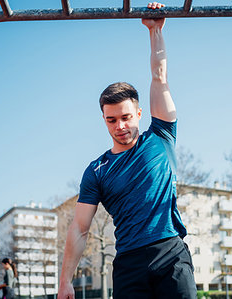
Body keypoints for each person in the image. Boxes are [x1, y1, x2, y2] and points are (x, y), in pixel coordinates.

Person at [57, 2, 196, 299]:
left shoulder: (160, 136)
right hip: (129, 264)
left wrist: (156, 30)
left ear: (139, 114)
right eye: (112, 120)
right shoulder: (96, 171)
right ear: (104, 120)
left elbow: (160, 77)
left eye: (126, 117)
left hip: (171, 252)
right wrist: (65, 280)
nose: (120, 126)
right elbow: (80, 228)